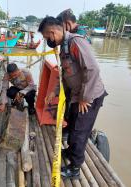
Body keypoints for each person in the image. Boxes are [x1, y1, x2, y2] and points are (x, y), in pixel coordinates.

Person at [38, 17, 107, 179]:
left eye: (47, 37)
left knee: (79, 133)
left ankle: (75, 168)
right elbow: (65, 75)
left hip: (89, 96)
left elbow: (92, 70)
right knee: (72, 125)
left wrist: (85, 98)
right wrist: (54, 92)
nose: (48, 40)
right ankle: (70, 151)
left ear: (53, 32)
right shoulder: (64, 46)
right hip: (77, 95)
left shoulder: (76, 42)